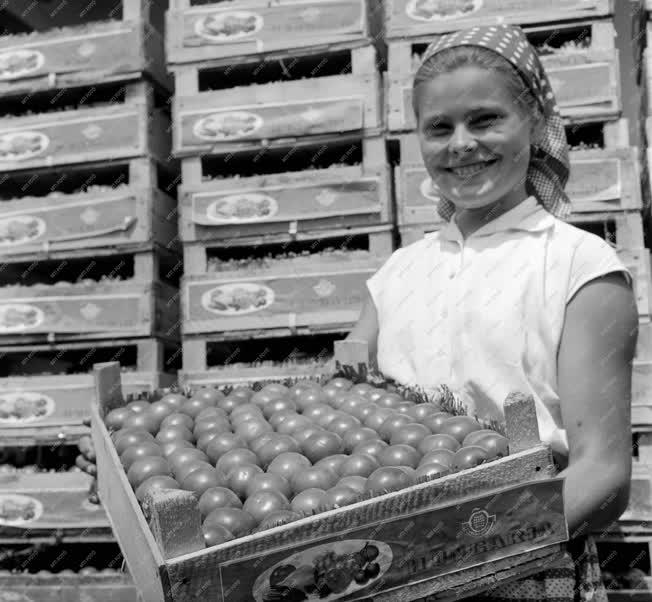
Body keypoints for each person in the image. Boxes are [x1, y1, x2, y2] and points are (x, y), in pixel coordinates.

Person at [346, 24, 637, 602]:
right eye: (439, 127)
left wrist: (456, 553)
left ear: (533, 122)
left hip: (528, 570)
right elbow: (337, 418)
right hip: (391, 575)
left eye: (484, 120)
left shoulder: (579, 265)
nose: (460, 144)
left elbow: (603, 473)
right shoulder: (395, 277)